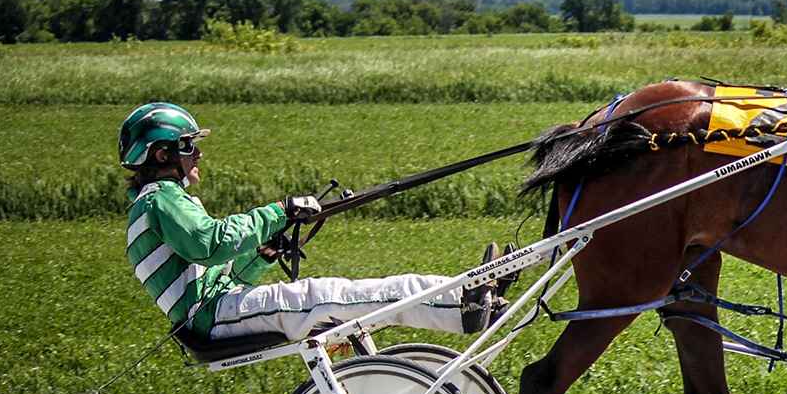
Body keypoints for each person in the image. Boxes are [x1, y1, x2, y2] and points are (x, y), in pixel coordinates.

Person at [118, 102, 511, 344]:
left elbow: (213, 275)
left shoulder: (151, 206)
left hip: (217, 311)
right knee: (331, 296)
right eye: (188, 145)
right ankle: (464, 300)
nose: (198, 153)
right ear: (163, 153)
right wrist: (279, 209)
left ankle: (469, 295)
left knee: (342, 296)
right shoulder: (161, 200)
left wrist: (261, 254)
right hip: (216, 316)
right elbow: (209, 242)